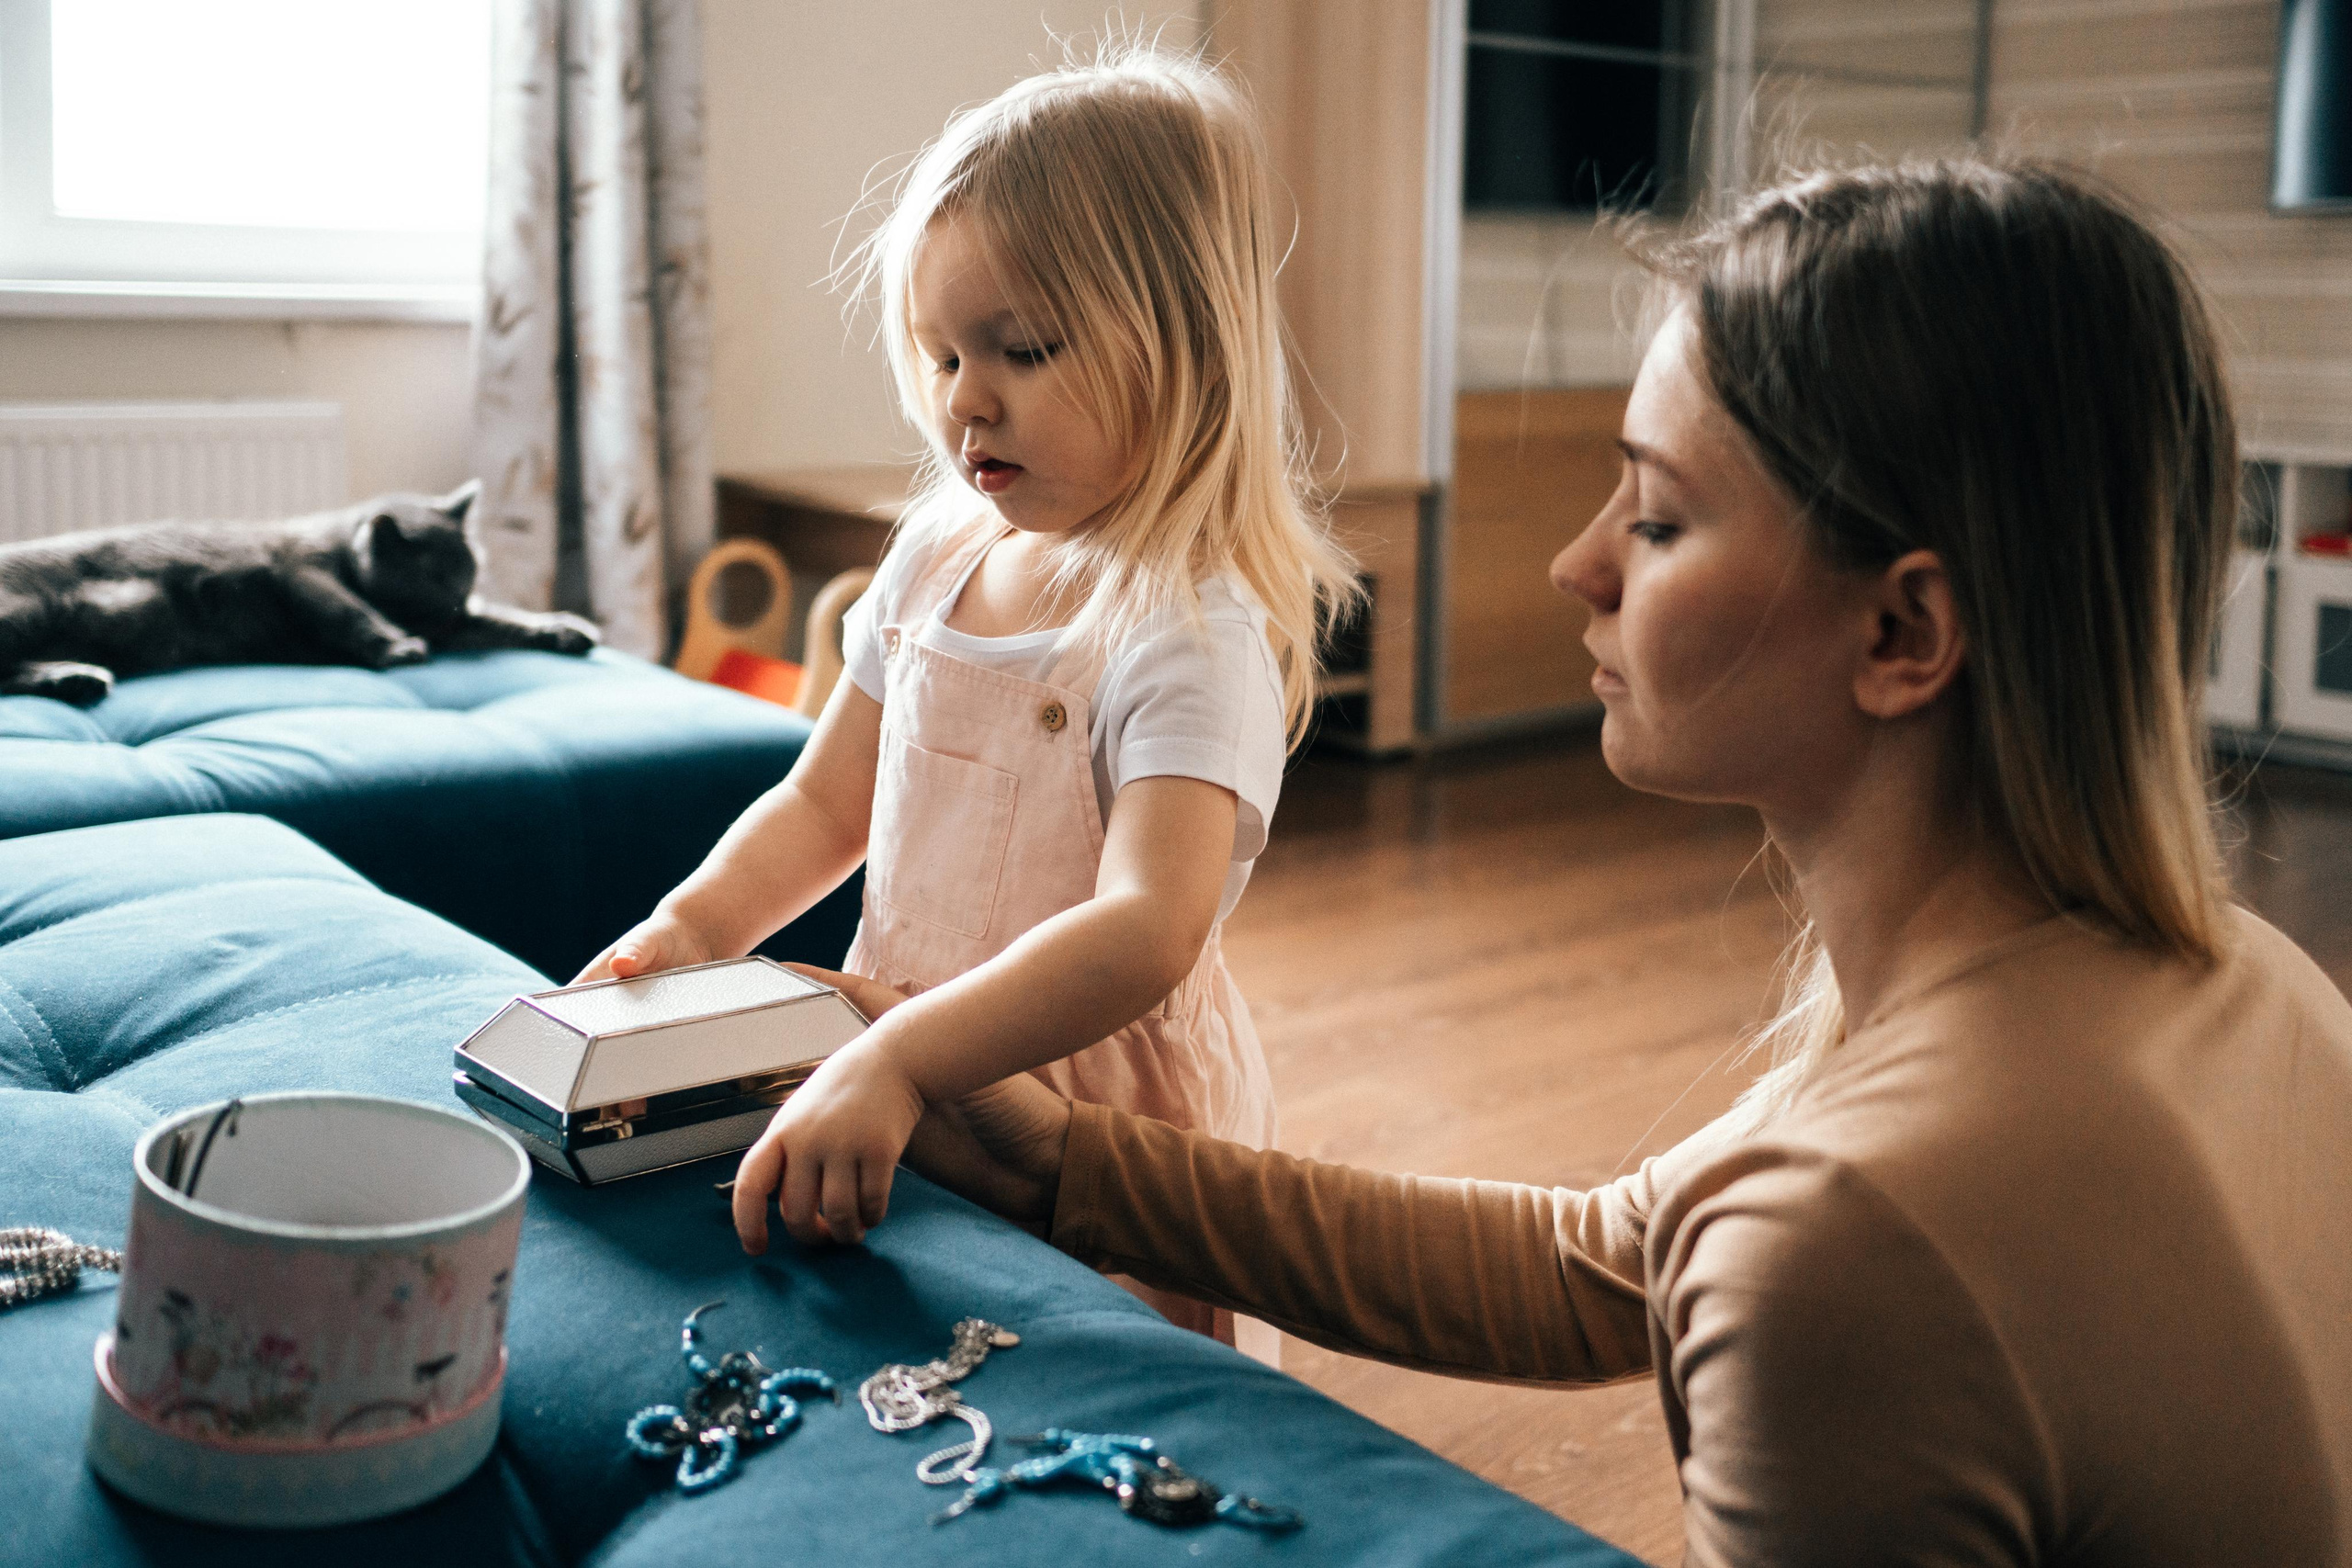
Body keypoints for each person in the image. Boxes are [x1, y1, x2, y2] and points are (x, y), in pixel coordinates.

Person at [838, 158, 2352, 1563]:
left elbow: (1746, 1258)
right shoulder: (2261, 987)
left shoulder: (1851, 1241)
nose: (1579, 564)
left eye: (1662, 516)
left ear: (1903, 633)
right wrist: (1063, 1163)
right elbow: (1592, 1265)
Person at [576, 50, 1355, 1339]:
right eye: (939, 355)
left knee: (1082, 1377)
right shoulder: (934, 560)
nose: (966, 399)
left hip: (1089, 1126)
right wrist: (695, 927)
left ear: (1184, 344)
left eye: (1024, 349)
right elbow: (823, 803)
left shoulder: (1186, 628)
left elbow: (1147, 929)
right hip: (904, 1056)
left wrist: (903, 1054)